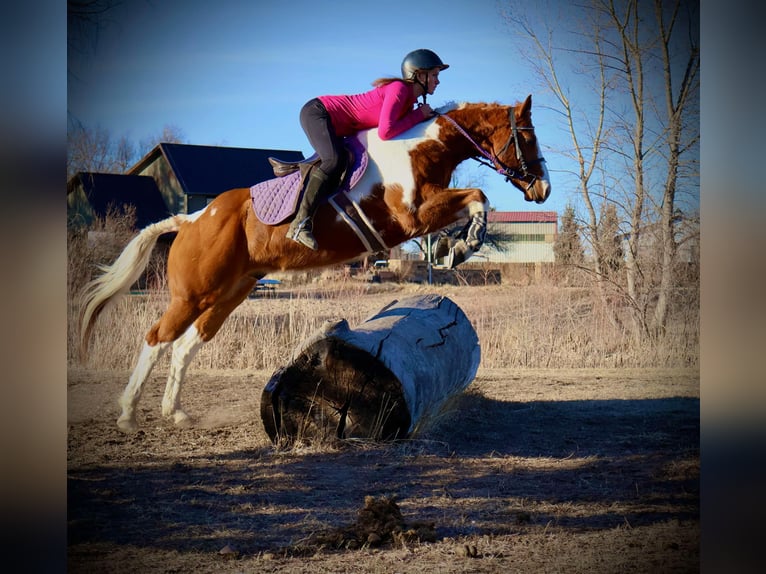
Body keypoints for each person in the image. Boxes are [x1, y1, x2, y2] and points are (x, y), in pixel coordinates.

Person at [287, 48, 449, 250]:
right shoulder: (399, 89)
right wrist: (419, 115)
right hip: (319, 112)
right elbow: (386, 131)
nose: (438, 80)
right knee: (334, 161)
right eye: (434, 75)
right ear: (420, 75)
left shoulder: (409, 101)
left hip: (334, 124)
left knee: (343, 163)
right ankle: (300, 223)